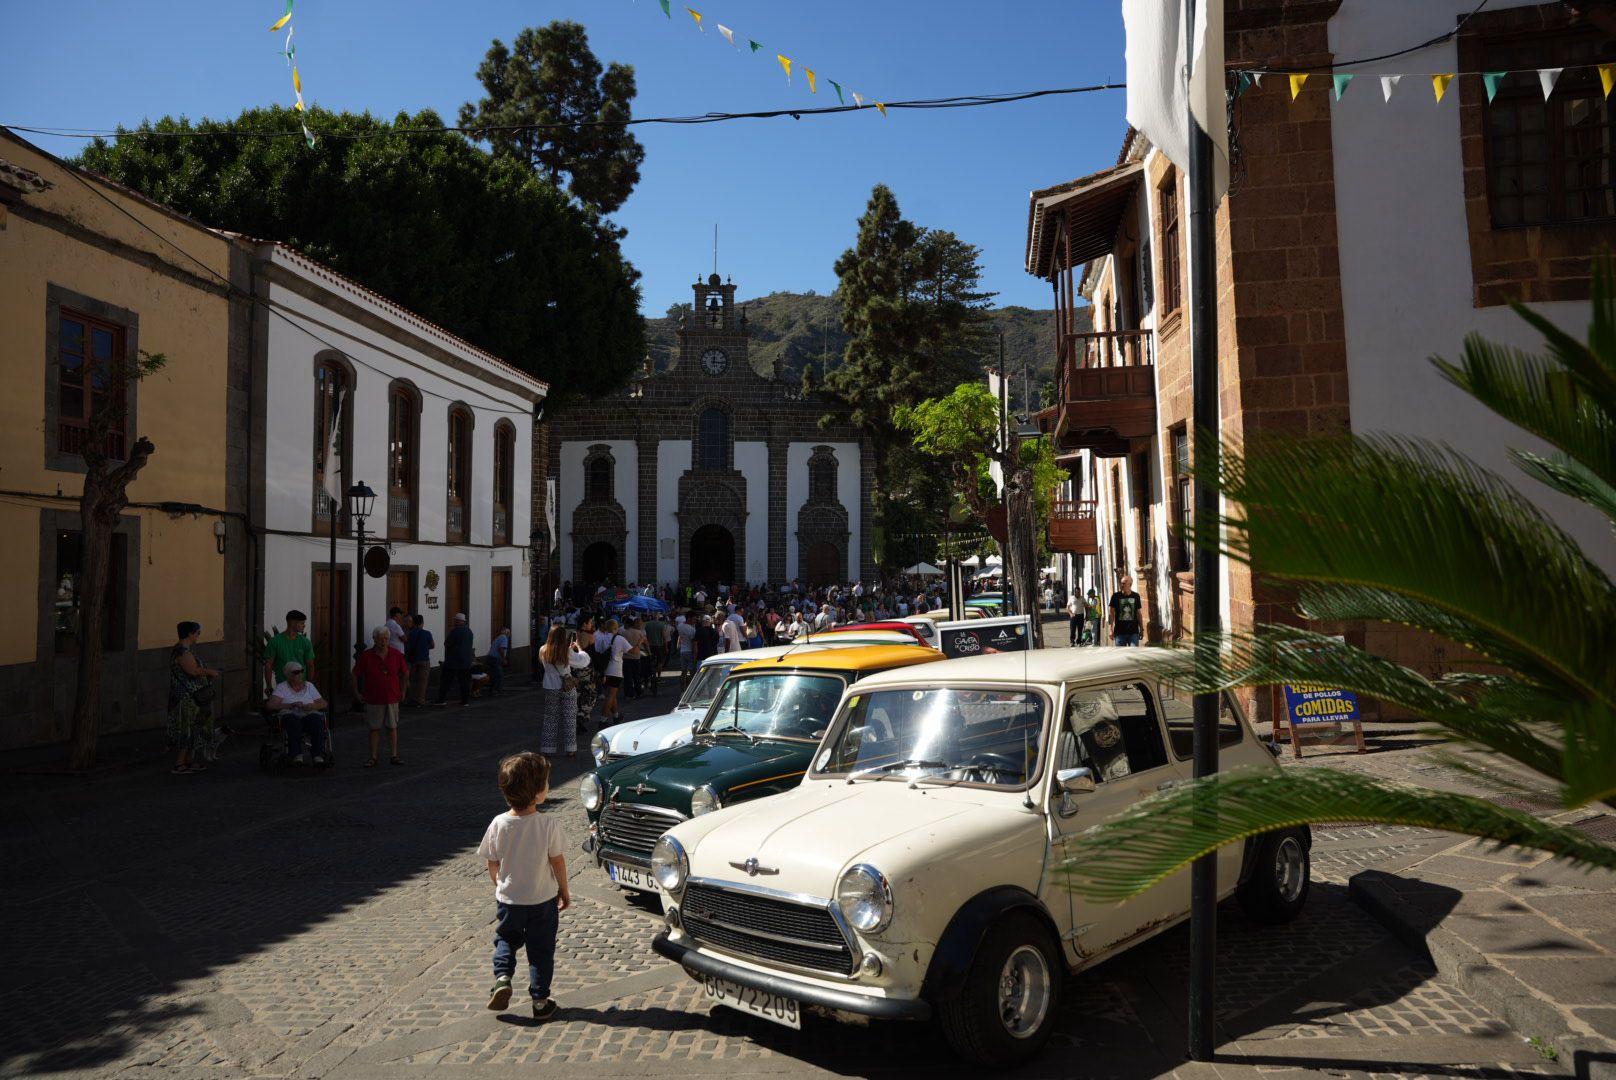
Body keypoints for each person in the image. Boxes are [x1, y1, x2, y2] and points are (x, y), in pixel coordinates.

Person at [478, 752, 570, 1021]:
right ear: (539, 793)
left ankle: (503, 977)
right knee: (541, 950)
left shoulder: (498, 823)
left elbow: (492, 863)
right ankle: (540, 1001)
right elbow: (557, 862)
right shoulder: (547, 824)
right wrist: (563, 890)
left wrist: (500, 883)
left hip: (510, 900)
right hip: (542, 899)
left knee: (506, 939)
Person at [169, 621, 220, 775]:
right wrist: (210, 672)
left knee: (195, 727)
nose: (198, 636)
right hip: (187, 697)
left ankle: (188, 761)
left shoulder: (184, 650)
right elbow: (193, 671)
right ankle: (179, 763)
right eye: (197, 633)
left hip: (193, 697)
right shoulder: (182, 652)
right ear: (190, 633)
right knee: (188, 727)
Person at [355, 625, 408, 766]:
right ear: (375, 639)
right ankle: (373, 757)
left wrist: (403, 691)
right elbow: (355, 675)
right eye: (381, 639)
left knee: (392, 727)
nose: (384, 641)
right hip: (373, 698)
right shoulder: (366, 656)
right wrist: (357, 693)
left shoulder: (396, 654)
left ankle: (394, 755)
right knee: (374, 728)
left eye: (386, 638)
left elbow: (404, 673)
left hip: (392, 697)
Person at [267, 660, 329, 766]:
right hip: (290, 713)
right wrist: (290, 705)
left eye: (301, 671)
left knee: (317, 722)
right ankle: (296, 754)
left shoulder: (309, 686)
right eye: (296, 672)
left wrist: (312, 706)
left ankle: (317, 755)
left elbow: (323, 703)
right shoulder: (282, 687)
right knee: (293, 723)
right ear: (288, 675)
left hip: (308, 713)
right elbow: (270, 705)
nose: (300, 674)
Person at [539, 626, 589, 756]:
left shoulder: (543, 650)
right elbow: (583, 662)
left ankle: (547, 749)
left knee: (550, 718)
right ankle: (570, 749)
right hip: (567, 687)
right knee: (569, 718)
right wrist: (579, 648)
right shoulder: (566, 651)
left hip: (550, 686)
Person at [263, 610, 315, 698]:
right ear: (292, 623)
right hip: (282, 687)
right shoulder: (275, 642)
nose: (304, 625)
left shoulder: (306, 642)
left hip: (301, 687)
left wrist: (309, 686)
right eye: (301, 623)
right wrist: (269, 685)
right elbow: (268, 665)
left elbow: (310, 665)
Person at [438, 613, 475, 707]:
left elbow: (447, 643)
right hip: (466, 661)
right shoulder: (469, 632)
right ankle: (465, 701)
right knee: (464, 682)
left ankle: (441, 700)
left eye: (456, 620)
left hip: (453, 661)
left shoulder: (455, 631)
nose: (454, 621)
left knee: (446, 681)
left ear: (460, 621)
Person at [601, 619, 631, 723]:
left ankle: (616, 716)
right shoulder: (620, 638)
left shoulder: (602, 638)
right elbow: (632, 650)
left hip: (604, 670)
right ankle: (603, 720)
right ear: (616, 627)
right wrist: (640, 642)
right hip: (616, 670)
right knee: (611, 696)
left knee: (611, 695)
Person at [405, 614, 434, 706]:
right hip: (424, 660)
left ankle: (412, 698)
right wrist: (425, 647)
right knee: (422, 681)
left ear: (413, 623)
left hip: (413, 660)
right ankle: (420, 700)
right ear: (422, 623)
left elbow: (408, 646)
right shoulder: (427, 633)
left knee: (413, 680)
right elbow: (432, 645)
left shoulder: (411, 633)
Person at [1108, 576, 1144, 647]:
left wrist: (1141, 629)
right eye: (1121, 583)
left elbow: (1138, 614)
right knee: (1121, 655)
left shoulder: (1136, 596)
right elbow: (1111, 614)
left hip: (1133, 632)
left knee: (1134, 654)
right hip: (1119, 632)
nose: (1122, 585)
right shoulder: (1115, 596)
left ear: (1130, 584)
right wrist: (1111, 629)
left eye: (1124, 583)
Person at [486, 626, 511, 696]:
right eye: (508, 633)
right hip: (495, 658)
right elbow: (501, 649)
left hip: (490, 658)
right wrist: (503, 659)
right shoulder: (504, 638)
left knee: (494, 674)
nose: (509, 634)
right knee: (499, 675)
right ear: (507, 633)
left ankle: (493, 690)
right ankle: (497, 690)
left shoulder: (499, 637)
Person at [675, 614, 697, 682]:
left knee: (683, 672)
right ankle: (690, 690)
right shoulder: (692, 630)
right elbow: (693, 643)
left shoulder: (680, 626)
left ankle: (682, 690)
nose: (695, 620)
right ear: (689, 618)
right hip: (690, 651)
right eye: (694, 619)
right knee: (692, 672)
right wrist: (695, 654)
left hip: (683, 651)